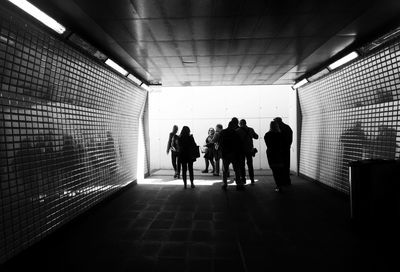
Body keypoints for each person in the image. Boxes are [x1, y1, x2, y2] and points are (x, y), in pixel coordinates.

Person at [219, 121, 244, 190]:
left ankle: (225, 184)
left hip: (225, 154)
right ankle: (238, 184)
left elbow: (220, 143)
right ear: (233, 126)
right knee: (237, 169)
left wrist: (222, 153)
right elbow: (238, 144)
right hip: (234, 154)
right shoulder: (236, 133)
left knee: (225, 170)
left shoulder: (223, 132)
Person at [264, 121, 285, 192]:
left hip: (271, 154)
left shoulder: (267, 135)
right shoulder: (280, 134)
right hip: (279, 154)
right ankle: (281, 185)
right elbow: (283, 145)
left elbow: (268, 145)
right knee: (280, 170)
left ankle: (278, 185)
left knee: (275, 170)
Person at [236, 119, 259, 185]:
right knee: (250, 165)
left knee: (242, 165)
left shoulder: (237, 131)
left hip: (241, 150)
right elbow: (256, 137)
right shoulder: (251, 129)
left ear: (240, 124)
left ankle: (243, 179)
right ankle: (252, 179)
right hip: (249, 150)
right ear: (246, 123)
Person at [274, 117, 293, 185]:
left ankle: (281, 181)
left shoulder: (278, 129)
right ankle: (287, 181)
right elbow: (290, 138)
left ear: (277, 122)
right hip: (286, 149)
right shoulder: (287, 127)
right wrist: (288, 145)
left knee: (280, 165)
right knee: (286, 165)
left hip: (279, 150)